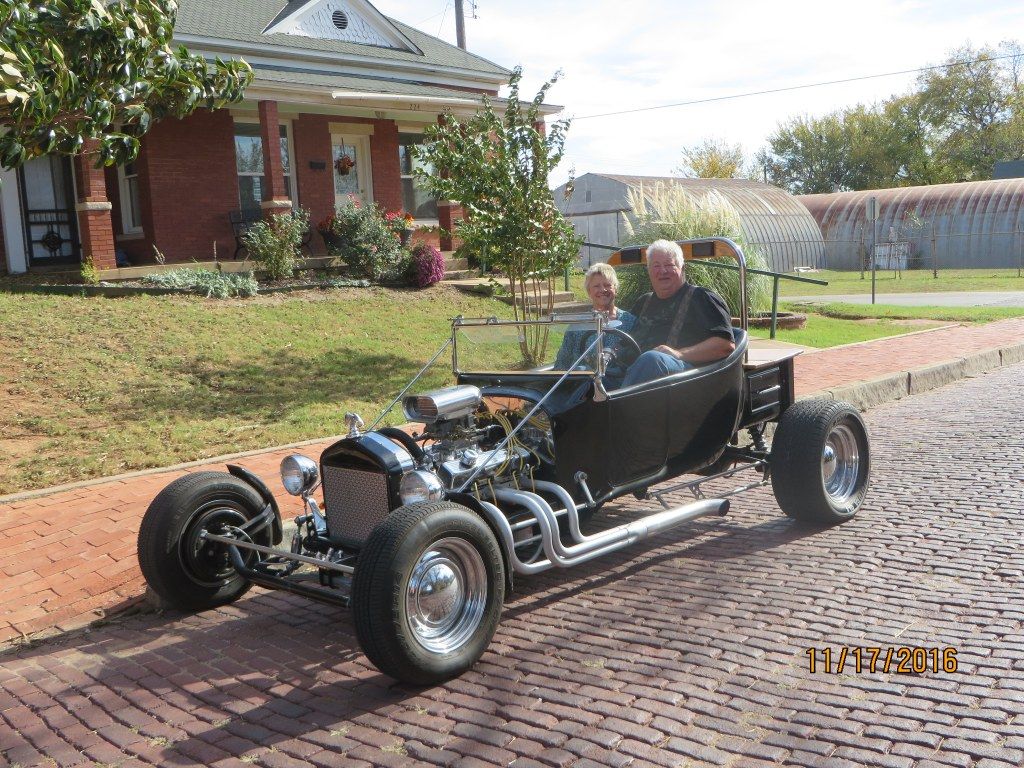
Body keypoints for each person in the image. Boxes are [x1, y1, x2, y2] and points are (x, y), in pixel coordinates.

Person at [619, 239, 735, 388]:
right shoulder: (643, 302)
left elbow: (725, 345)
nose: (662, 271)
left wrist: (679, 354)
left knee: (652, 359)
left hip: (684, 381)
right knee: (589, 373)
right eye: (656, 266)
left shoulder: (701, 298)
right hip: (633, 375)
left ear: (682, 267)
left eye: (669, 265)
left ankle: (618, 409)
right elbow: (624, 340)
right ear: (649, 270)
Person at [554, 262, 636, 372]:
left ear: (615, 289)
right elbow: (562, 363)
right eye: (597, 286)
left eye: (607, 285)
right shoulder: (577, 325)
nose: (602, 290)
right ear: (589, 292)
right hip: (579, 384)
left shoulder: (630, 321)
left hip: (616, 385)